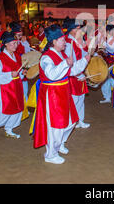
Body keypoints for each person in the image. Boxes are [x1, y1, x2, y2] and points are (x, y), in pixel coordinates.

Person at [32, 24, 91, 164]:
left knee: (71, 121)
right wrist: (66, 63)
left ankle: (59, 144)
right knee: (55, 125)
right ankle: (50, 154)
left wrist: (84, 60)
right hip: (52, 94)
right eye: (62, 40)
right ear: (54, 42)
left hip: (64, 91)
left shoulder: (62, 54)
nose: (65, 42)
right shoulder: (46, 58)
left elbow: (71, 70)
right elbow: (51, 74)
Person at [64, 19, 91, 128]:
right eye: (77, 28)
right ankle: (72, 122)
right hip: (73, 76)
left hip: (79, 73)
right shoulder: (67, 43)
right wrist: (80, 74)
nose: (79, 30)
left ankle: (79, 120)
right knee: (74, 101)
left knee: (81, 99)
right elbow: (71, 64)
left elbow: (84, 53)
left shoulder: (77, 40)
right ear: (70, 30)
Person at [99, 25, 114, 104]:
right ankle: (107, 97)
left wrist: (104, 45)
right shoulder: (108, 40)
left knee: (112, 80)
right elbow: (108, 51)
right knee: (105, 80)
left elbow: (112, 49)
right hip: (108, 62)